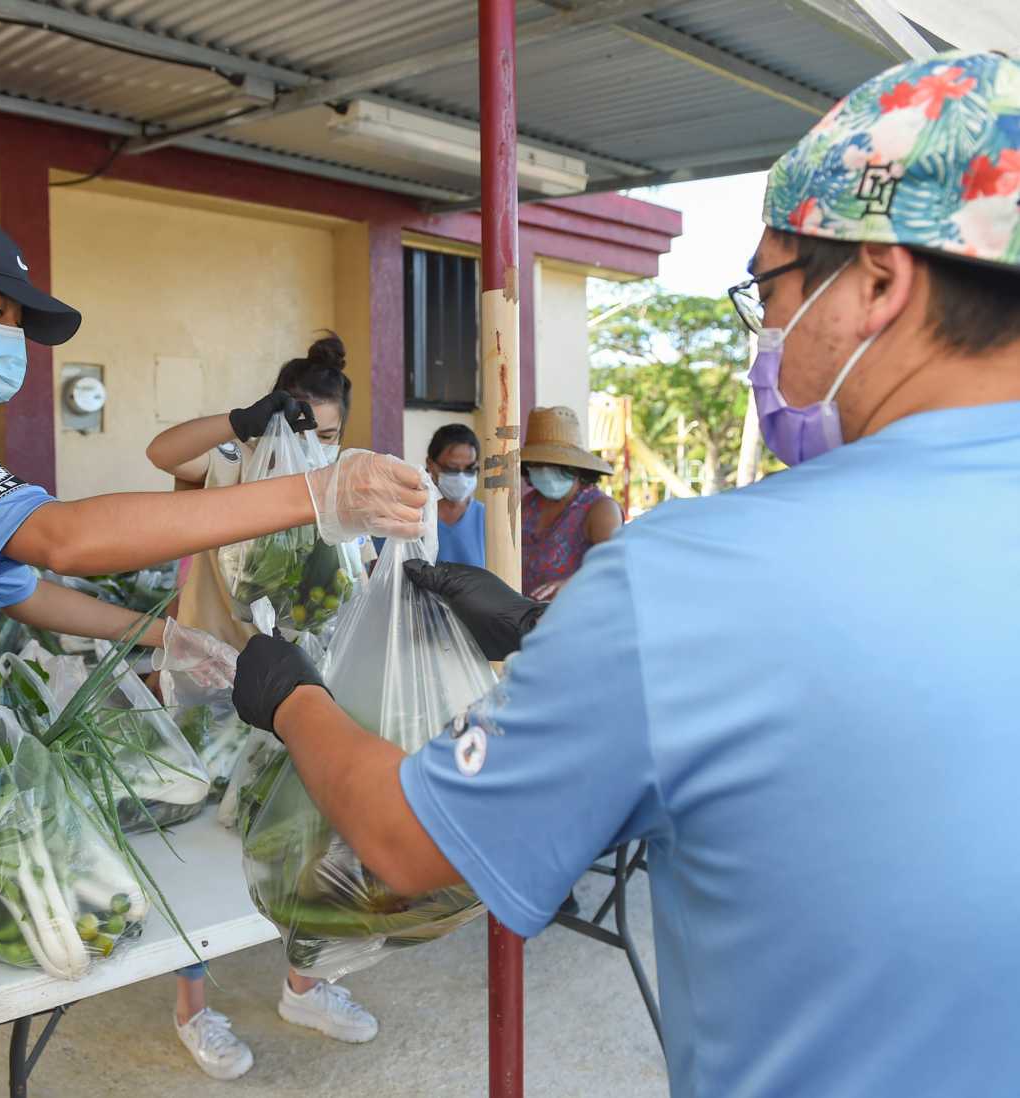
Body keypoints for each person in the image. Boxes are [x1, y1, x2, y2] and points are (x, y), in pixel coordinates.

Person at [229, 51, 1020, 1098]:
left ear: (876, 282)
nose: (767, 340)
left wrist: (289, 697)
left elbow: (407, 843)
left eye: (770, 289)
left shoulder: (694, 579)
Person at [0, 203, 426, 1098]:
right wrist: (317, 491)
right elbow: (63, 539)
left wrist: (164, 636)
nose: (11, 337)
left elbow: (23, 586)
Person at [146, 334, 380, 1080]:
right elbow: (161, 452)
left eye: (332, 433)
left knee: (302, 837)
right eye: (304, 427)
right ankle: (192, 1009)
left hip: (298, 693)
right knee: (188, 855)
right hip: (210, 684)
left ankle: (305, 987)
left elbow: (358, 583)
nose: (318, 445)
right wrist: (237, 422)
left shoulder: (340, 480)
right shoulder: (231, 462)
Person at [518, 405, 621, 600]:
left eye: (555, 465)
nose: (546, 471)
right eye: (538, 464)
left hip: (578, 619)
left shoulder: (600, 509)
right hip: (526, 621)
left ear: (575, 466)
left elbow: (613, 565)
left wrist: (572, 583)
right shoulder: (527, 505)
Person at [425, 423, 486, 568]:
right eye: (452, 468)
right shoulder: (412, 517)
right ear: (431, 465)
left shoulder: (488, 520)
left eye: (470, 469)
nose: (461, 477)